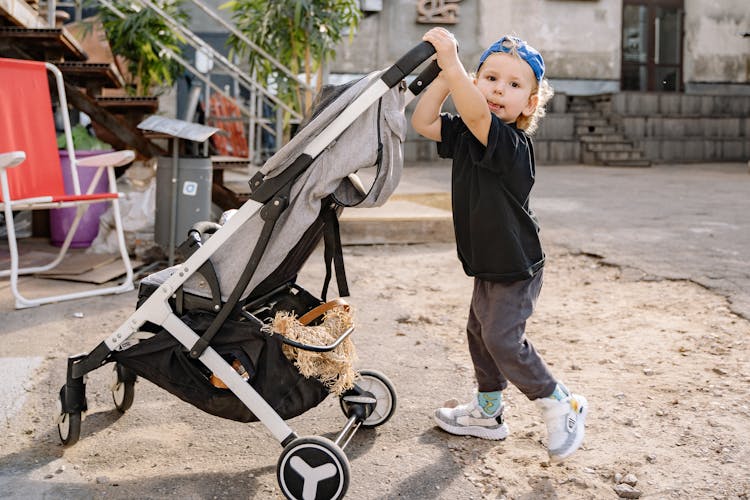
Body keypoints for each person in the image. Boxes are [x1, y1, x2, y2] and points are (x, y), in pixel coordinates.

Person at [411, 27, 588, 463]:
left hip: (516, 264)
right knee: (479, 335)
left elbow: (476, 117)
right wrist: (444, 76)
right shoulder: (469, 133)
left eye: (513, 85)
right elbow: (423, 121)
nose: (497, 90)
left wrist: (456, 69)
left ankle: (560, 402)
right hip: (487, 262)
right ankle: (487, 413)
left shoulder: (511, 143)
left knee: (503, 339)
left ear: (530, 103)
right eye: (489, 78)